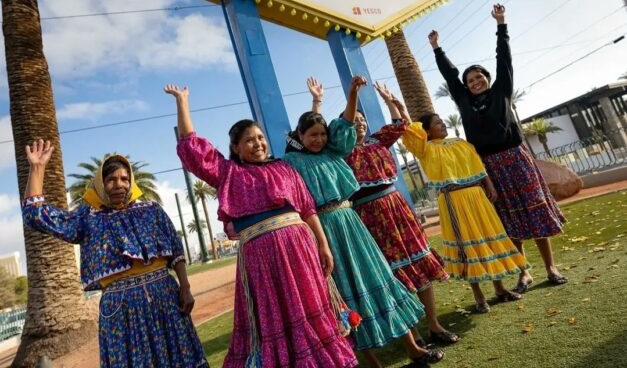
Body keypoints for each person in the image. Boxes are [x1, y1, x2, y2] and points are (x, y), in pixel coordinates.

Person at [164, 85, 357, 367]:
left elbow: (307, 209)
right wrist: (183, 102)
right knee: (275, 315)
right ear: (235, 148)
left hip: (299, 250)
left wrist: (323, 245)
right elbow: (192, 148)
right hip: (261, 259)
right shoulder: (228, 173)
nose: (258, 144)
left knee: (311, 306)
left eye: (260, 138)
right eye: (249, 140)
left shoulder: (284, 168)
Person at [284, 76, 444, 368]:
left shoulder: (337, 151)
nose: (319, 139)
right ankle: (372, 364)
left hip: (352, 223)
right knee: (344, 294)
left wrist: (352, 94)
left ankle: (414, 349)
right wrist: (316, 103)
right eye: (312, 135)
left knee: (380, 277)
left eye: (322, 133)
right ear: (301, 137)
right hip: (325, 231)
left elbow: (345, 123)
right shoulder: (293, 162)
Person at [21, 140, 208, 367]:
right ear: (100, 183)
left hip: (166, 300)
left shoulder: (152, 211)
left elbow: (176, 251)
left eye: (124, 178)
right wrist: (37, 168)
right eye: (111, 180)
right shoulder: (87, 219)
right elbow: (36, 215)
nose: (119, 184)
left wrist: (185, 288)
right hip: (121, 312)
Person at [428, 3, 567, 293]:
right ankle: (523, 272)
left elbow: (504, 59)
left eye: (480, 77)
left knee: (534, 211)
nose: (476, 82)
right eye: (470, 80)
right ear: (465, 87)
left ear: (488, 80)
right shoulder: (464, 101)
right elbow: (450, 76)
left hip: (516, 159)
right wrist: (437, 49)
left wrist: (501, 24)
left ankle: (551, 267)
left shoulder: (501, 91)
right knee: (507, 220)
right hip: (489, 167)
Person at [401, 111, 530, 313]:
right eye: (437, 123)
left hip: (478, 197)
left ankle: (500, 289)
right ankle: (479, 298)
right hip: (453, 200)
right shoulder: (425, 149)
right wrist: (400, 108)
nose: (443, 124)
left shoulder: (462, 144)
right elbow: (410, 131)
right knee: (467, 247)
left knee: (488, 240)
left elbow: (478, 164)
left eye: (442, 121)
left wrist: (490, 186)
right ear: (426, 131)